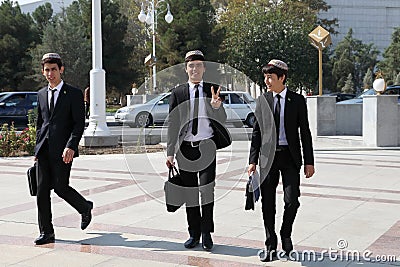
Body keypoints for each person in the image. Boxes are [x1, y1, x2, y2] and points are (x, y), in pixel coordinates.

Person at [247, 59, 315, 261]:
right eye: (265, 77)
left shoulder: (297, 100)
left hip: (290, 157)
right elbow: (256, 132)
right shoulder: (262, 101)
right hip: (268, 159)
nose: (267, 81)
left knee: (292, 200)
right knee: (268, 204)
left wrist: (309, 161)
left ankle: (286, 234)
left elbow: (305, 132)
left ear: (282, 78)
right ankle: (270, 244)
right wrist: (253, 160)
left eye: (271, 77)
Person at [166, 50, 230, 251]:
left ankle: (206, 233)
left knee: (206, 191)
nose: (195, 69)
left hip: (207, 147)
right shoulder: (178, 93)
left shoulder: (213, 89)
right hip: (185, 150)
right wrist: (170, 152)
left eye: (198, 65)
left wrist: (217, 107)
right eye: (191, 66)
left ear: (204, 68)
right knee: (191, 194)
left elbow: (223, 120)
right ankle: (193, 233)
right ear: (186, 69)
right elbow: (173, 124)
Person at [33, 53, 93, 245]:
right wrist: (36, 149)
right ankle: (46, 232)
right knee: (42, 191)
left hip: (63, 150)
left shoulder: (73, 94)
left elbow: (78, 124)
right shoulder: (41, 94)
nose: (50, 74)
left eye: (53, 69)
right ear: (43, 72)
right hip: (44, 150)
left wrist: (71, 146)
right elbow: (40, 123)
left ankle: (84, 207)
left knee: (60, 187)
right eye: (47, 70)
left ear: (61, 70)